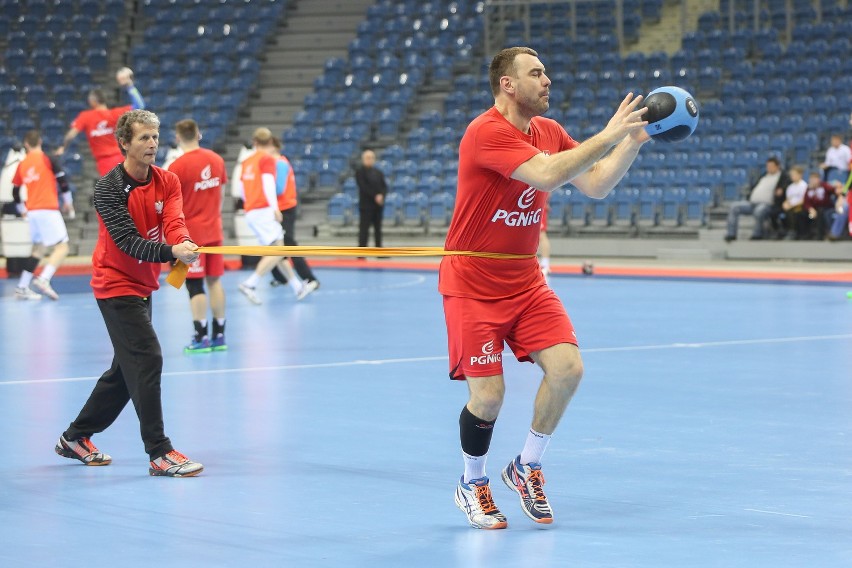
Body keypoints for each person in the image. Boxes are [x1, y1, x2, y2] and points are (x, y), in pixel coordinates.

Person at [441, 46, 649, 530]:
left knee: (568, 369)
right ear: (507, 84)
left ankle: (527, 466)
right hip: (473, 285)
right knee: (489, 397)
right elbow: (551, 174)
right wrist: (609, 132)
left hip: (526, 280)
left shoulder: (549, 132)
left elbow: (595, 183)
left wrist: (632, 141)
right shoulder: (485, 132)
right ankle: (472, 483)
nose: (547, 80)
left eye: (547, 72)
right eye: (535, 73)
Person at [55, 109, 203, 477]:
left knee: (125, 371)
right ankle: (159, 451)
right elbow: (127, 243)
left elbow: (174, 221)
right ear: (124, 143)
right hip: (114, 283)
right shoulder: (107, 188)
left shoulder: (167, 180)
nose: (152, 144)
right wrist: (171, 253)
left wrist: (181, 241)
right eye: (144, 138)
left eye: (155, 137)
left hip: (143, 283)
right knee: (148, 358)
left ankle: (75, 438)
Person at [166, 118, 229, 353]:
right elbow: (221, 196)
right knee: (215, 281)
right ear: (198, 134)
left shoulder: (177, 166)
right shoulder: (217, 160)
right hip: (214, 230)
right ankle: (220, 334)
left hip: (190, 236)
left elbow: (171, 205)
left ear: (177, 138)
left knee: (194, 285)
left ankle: (201, 336)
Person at [236, 127, 312, 304]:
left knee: (276, 251)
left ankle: (297, 286)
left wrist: (249, 204)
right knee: (279, 249)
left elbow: (242, 189)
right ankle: (250, 283)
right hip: (263, 210)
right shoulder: (267, 159)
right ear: (270, 142)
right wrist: (275, 208)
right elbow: (268, 184)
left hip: (251, 211)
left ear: (255, 142)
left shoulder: (246, 161)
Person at [11, 130, 74, 300]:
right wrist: (68, 202)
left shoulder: (22, 164)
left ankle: (22, 287)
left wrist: (21, 209)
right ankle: (44, 279)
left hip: (31, 212)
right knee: (62, 247)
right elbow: (63, 183)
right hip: (48, 210)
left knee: (38, 249)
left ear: (26, 144)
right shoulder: (48, 158)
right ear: (39, 141)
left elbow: (15, 192)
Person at [56, 67, 145, 176]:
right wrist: (130, 86)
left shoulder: (86, 116)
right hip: (121, 157)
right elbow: (140, 106)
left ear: (92, 101)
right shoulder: (115, 114)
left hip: (104, 162)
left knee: (114, 191)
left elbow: (71, 134)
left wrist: (63, 147)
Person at [269, 136, 320, 292]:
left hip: (285, 209)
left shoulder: (280, 164)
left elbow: (279, 189)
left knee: (288, 244)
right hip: (279, 208)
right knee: (271, 243)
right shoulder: (276, 163)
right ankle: (281, 277)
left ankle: (310, 278)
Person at [724, 156, 790, 242]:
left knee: (759, 211)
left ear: (777, 166)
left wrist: (781, 190)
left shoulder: (783, 177)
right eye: (767, 166)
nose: (768, 168)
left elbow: (787, 187)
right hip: (752, 203)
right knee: (734, 207)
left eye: (771, 166)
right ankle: (731, 234)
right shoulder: (764, 176)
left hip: (768, 204)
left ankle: (757, 234)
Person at [355, 149, 388, 248]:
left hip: (377, 206)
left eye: (372, 158)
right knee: (364, 229)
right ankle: (361, 252)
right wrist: (375, 196)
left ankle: (379, 251)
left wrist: (382, 195)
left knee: (378, 230)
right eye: (367, 158)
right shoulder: (360, 172)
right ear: (363, 159)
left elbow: (384, 186)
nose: (370, 160)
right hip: (366, 206)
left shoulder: (378, 172)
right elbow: (363, 187)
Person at [800, 170, 837, 240]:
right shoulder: (808, 189)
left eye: (814, 179)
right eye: (811, 179)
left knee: (821, 212)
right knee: (802, 213)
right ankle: (804, 234)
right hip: (813, 209)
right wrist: (810, 209)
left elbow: (833, 190)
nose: (812, 181)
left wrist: (835, 186)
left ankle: (820, 235)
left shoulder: (824, 186)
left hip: (826, 207)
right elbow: (806, 202)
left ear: (819, 179)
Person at [778, 165, 807, 239]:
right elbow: (788, 199)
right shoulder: (790, 187)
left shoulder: (804, 186)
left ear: (800, 175)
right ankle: (784, 230)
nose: (792, 176)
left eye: (794, 175)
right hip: (791, 206)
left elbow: (803, 200)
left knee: (793, 212)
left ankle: (793, 231)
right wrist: (785, 204)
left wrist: (792, 206)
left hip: (800, 206)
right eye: (791, 175)